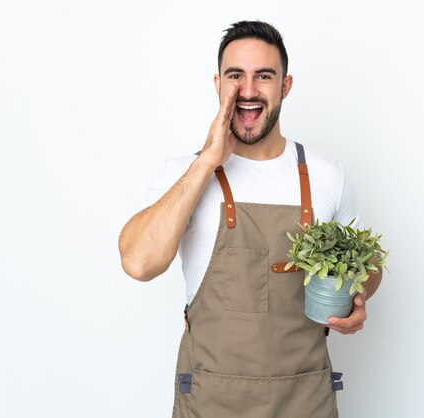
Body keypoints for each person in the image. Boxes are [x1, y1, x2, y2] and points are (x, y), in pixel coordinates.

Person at [118, 20, 382, 418]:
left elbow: (368, 266)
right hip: (210, 401)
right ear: (217, 84)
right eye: (235, 76)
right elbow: (138, 262)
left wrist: (360, 298)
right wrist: (208, 160)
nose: (248, 90)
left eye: (264, 76)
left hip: (304, 400)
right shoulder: (184, 173)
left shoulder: (328, 177)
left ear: (285, 86)